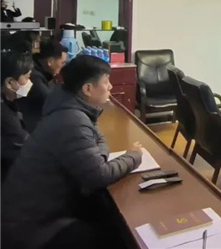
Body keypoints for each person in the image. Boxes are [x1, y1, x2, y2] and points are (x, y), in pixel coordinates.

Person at [2, 55, 143, 249]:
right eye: (106, 81)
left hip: (35, 210)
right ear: (87, 89)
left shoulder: (67, 106)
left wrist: (98, 156)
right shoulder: (72, 120)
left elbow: (98, 139)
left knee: (103, 210)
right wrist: (134, 156)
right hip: (30, 226)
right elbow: (99, 175)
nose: (110, 86)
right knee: (113, 233)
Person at [16, 40, 68, 132]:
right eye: (62, 63)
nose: (63, 66)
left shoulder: (36, 68)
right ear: (50, 62)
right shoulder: (34, 78)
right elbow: (53, 102)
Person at [1, 51, 33, 182]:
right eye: (27, 77)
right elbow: (25, 145)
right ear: (10, 82)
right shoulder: (5, 115)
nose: (29, 82)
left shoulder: (7, 103)